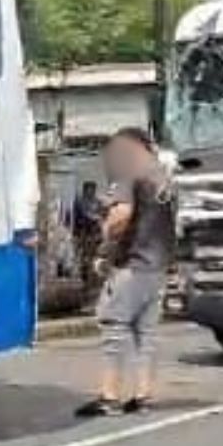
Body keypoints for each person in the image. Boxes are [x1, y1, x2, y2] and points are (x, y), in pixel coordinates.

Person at [76, 127, 176, 417]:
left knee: (113, 324)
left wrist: (106, 243)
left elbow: (121, 216)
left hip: (132, 263)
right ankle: (143, 395)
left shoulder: (130, 173)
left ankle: (110, 397)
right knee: (146, 333)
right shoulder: (163, 179)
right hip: (158, 265)